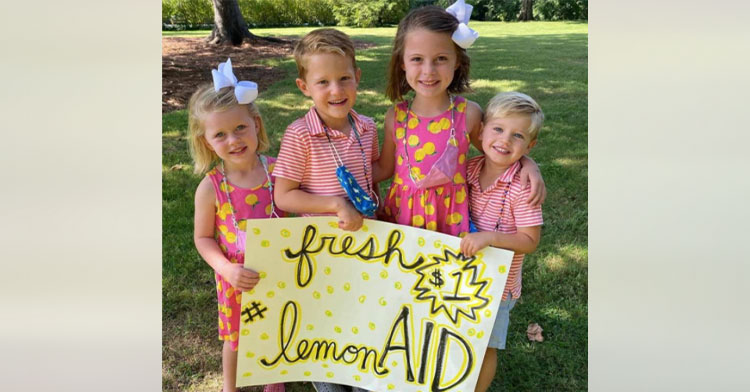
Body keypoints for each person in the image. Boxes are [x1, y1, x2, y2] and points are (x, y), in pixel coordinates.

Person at [374, 0, 546, 239]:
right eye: (417, 59)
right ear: (402, 62)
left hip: (450, 221)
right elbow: (384, 168)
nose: (428, 71)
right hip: (403, 219)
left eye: (441, 58)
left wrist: (530, 166)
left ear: (457, 61)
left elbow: (496, 151)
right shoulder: (396, 116)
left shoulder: (469, 114)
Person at [272, 28, 376, 392]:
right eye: (323, 82)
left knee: (363, 321)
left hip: (365, 247)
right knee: (326, 325)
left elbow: (372, 174)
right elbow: (284, 195)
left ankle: (366, 380)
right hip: (321, 252)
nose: (337, 90)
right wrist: (335, 204)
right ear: (304, 87)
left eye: (345, 78)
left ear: (357, 77)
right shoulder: (299, 134)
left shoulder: (367, 128)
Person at [189, 59, 285, 392]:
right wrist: (226, 270)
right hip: (236, 278)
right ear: (207, 142)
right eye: (220, 134)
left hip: (279, 270)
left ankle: (274, 380)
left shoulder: (279, 172)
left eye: (241, 128)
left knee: (276, 325)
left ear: (256, 124)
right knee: (236, 337)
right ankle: (230, 386)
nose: (234, 140)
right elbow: (203, 238)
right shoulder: (211, 187)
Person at [458, 92, 545, 392]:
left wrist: (489, 238)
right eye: (498, 129)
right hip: (463, 275)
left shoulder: (523, 186)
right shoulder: (467, 169)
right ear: (480, 131)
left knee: (484, 346)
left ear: (530, 146)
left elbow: (530, 241)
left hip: (498, 285)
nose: (505, 141)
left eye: (517, 135)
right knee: (459, 336)